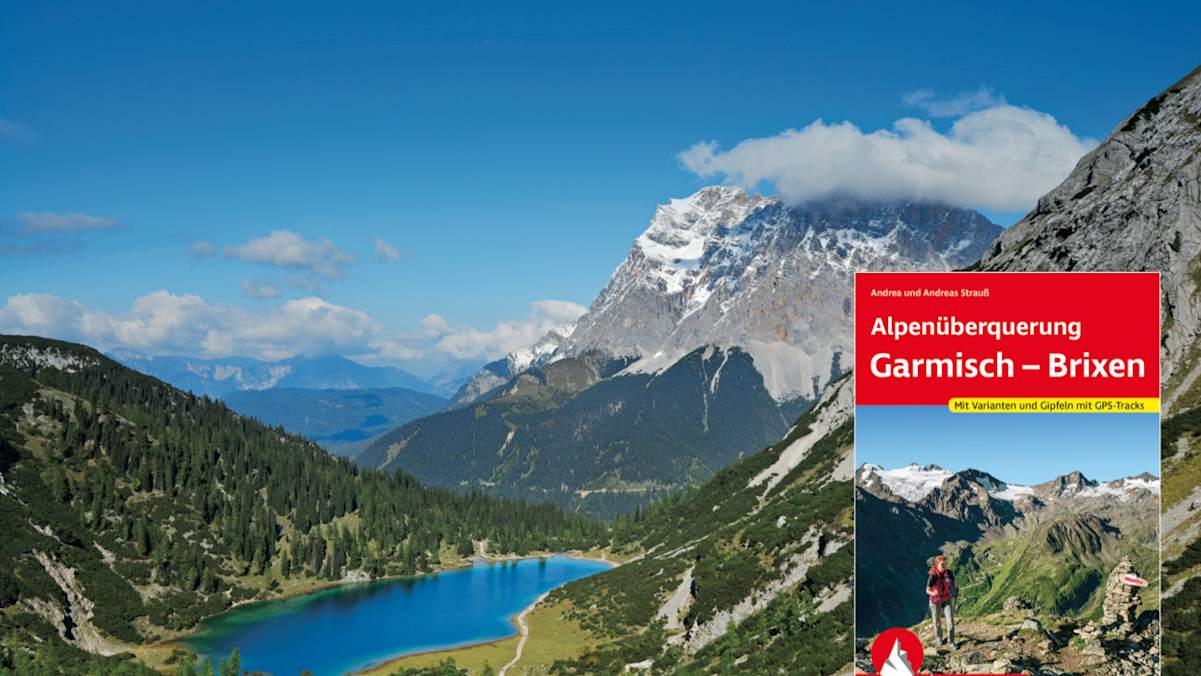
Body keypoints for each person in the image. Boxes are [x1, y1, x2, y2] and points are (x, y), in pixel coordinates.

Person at [925, 555, 957, 649]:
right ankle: (939, 638)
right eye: (942, 564)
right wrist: (933, 592)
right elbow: (927, 589)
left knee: (950, 621)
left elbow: (953, 582)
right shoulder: (933, 575)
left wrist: (955, 589)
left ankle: (951, 642)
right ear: (937, 565)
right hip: (935, 600)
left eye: (945, 564)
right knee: (937, 621)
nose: (944, 566)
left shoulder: (949, 573)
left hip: (946, 599)